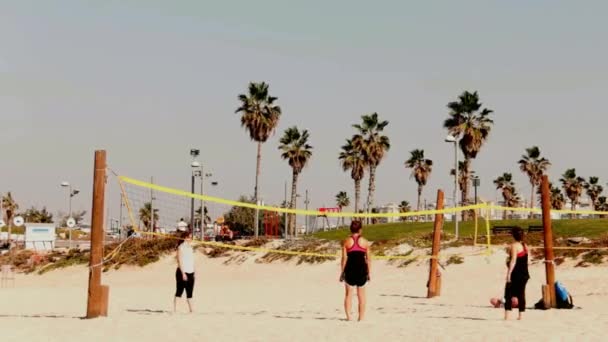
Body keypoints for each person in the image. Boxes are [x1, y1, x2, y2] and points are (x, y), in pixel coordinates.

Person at [340, 220, 371, 321]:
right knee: (361, 296)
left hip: (350, 269)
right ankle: (360, 318)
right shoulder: (365, 242)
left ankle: (349, 317)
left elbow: (344, 259)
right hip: (361, 270)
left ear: (350, 229)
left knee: (348, 294)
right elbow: (369, 259)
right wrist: (369, 273)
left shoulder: (346, 241)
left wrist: (342, 272)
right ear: (360, 230)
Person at [504, 227, 529, 320]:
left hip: (516, 273)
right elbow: (525, 260)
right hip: (525, 274)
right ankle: (521, 315)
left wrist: (509, 273)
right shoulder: (525, 245)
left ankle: (507, 316)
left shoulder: (514, 246)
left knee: (508, 293)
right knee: (521, 294)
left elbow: (513, 260)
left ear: (513, 235)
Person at [174, 230, 195, 313]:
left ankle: (191, 310)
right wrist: (183, 273)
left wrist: (194, 272)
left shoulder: (190, 247)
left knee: (190, 293)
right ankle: (175, 310)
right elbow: (179, 261)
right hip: (182, 272)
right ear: (185, 238)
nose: (191, 239)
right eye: (190, 237)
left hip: (190, 272)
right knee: (179, 291)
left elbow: (191, 261)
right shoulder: (181, 247)